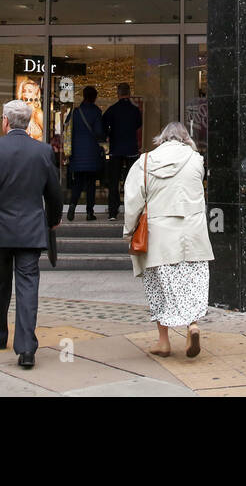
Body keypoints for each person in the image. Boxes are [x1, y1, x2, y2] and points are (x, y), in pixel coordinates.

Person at [0, 99, 63, 369]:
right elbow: (55, 192)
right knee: (28, 285)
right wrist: (52, 220)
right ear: (28, 122)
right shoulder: (43, 151)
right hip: (31, 229)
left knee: (0, 281)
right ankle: (25, 348)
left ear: (5, 121)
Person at [123, 122, 213, 358]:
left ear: (161, 138)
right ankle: (191, 324)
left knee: (159, 287)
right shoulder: (196, 160)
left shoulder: (144, 162)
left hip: (159, 236)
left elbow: (133, 201)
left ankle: (163, 341)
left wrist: (128, 230)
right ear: (186, 138)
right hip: (194, 236)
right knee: (192, 283)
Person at [103, 82, 143, 221]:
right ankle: (131, 211)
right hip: (131, 149)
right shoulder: (134, 110)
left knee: (114, 181)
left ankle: (113, 211)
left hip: (116, 149)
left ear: (118, 94)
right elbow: (139, 124)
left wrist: (109, 134)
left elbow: (104, 124)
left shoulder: (112, 109)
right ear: (129, 93)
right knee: (131, 181)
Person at [66, 85, 104, 220]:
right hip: (92, 153)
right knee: (91, 184)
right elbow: (100, 132)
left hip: (77, 153)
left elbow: (67, 128)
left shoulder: (75, 112)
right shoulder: (96, 112)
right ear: (94, 97)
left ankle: (71, 206)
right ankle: (89, 212)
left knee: (78, 182)